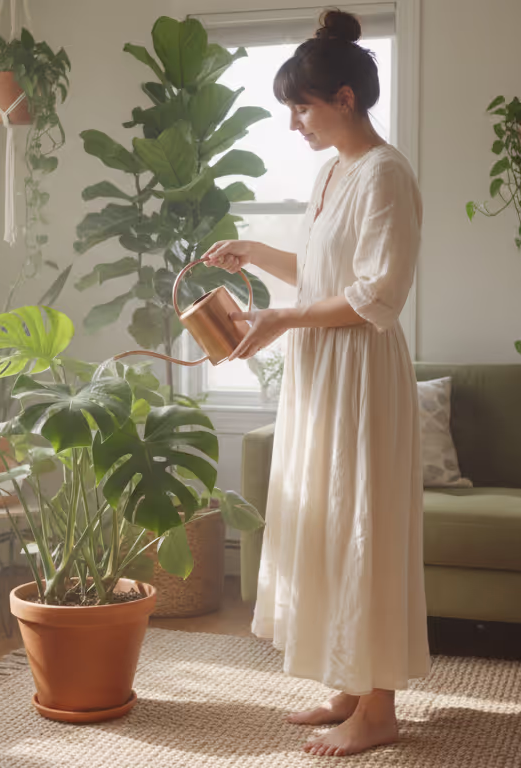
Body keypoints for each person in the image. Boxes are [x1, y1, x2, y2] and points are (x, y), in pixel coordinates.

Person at [204, 8, 430, 758]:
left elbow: (376, 296)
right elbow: (324, 271)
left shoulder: (386, 173)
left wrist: (283, 321)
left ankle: (380, 707)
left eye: (301, 106)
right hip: (322, 368)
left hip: (360, 370)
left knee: (363, 523)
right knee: (330, 523)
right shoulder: (332, 171)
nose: (294, 122)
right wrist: (258, 251)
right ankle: (347, 683)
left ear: (344, 98)